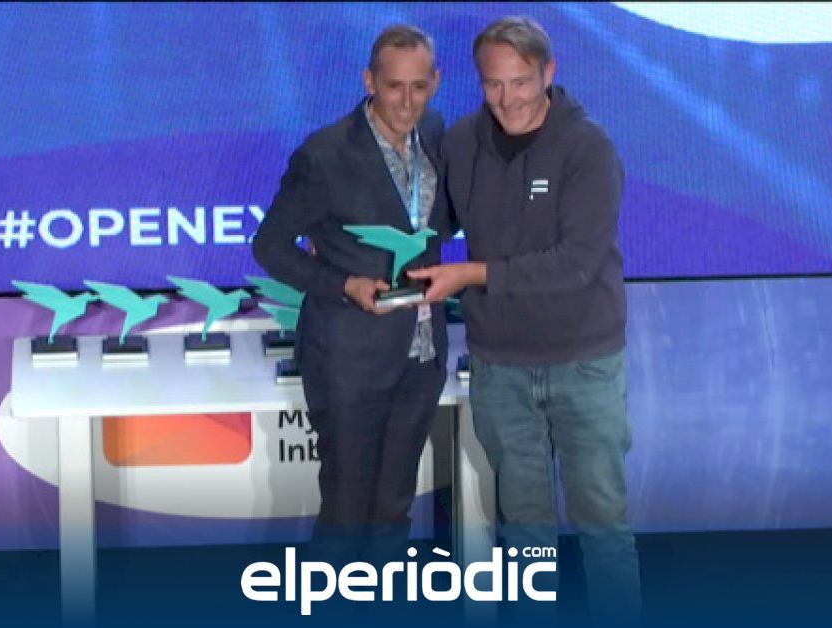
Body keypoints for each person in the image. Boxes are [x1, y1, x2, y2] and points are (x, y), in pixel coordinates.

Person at [408, 15, 641, 624]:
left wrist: (472, 274)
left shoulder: (588, 149)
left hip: (583, 363)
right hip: (501, 366)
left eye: (520, 82)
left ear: (548, 74)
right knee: (524, 531)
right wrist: (355, 250)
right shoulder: (462, 142)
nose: (507, 98)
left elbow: (576, 263)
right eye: (493, 84)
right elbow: (431, 227)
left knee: (602, 524)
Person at [251, 24, 451, 571]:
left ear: (434, 83)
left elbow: (438, 224)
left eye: (418, 86)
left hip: (421, 356)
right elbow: (269, 246)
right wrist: (343, 284)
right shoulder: (325, 155)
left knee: (393, 513)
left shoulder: (437, 135)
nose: (406, 102)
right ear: (369, 81)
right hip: (348, 362)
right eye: (393, 87)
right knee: (346, 513)